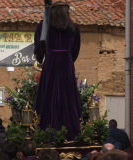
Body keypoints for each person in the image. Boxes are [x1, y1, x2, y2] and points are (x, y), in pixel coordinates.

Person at [33, 1, 82, 141]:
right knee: (68, 96)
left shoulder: (43, 26)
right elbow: (75, 51)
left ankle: (46, 132)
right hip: (66, 63)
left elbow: (38, 50)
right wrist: (66, 59)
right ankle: (71, 133)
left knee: (49, 94)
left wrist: (44, 57)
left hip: (51, 62)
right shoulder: (74, 28)